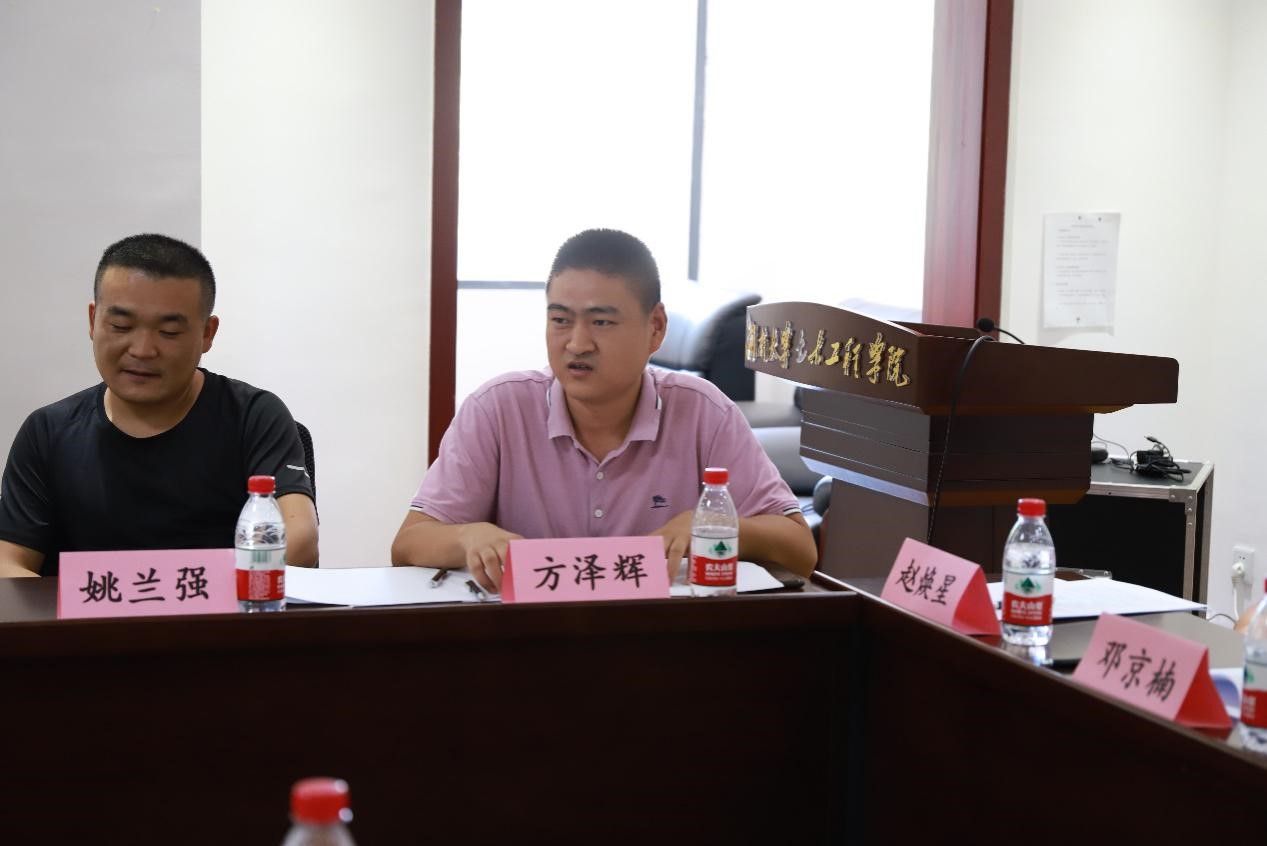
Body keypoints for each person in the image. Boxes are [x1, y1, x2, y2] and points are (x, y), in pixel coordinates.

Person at [391, 228, 816, 591]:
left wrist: (709, 526)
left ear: (655, 327)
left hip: (663, 641)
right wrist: (469, 536)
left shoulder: (704, 413)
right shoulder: (497, 409)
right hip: (528, 641)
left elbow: (799, 550)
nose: (577, 344)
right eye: (560, 320)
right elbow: (409, 544)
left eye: (601, 322)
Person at [0, 234, 318, 577]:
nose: (142, 350)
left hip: (220, 611)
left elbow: (299, 542)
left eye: (168, 332)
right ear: (93, 321)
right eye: (121, 326)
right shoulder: (49, 432)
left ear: (207, 334)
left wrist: (185, 593)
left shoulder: (253, 416)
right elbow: (8, 563)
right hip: (88, 613)